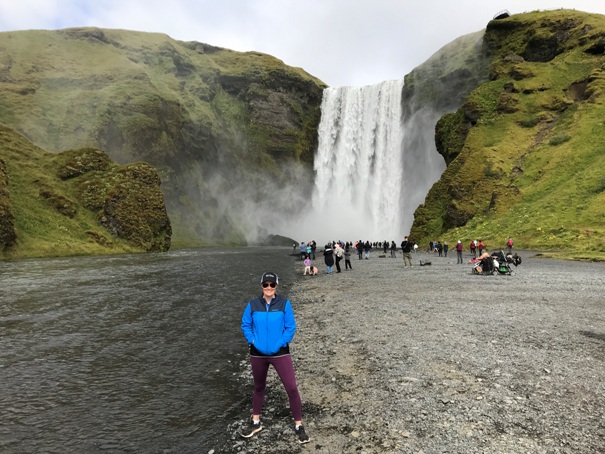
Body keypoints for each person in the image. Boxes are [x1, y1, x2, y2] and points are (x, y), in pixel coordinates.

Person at [240, 272, 311, 444]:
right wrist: (252, 340)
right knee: (259, 387)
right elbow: (245, 324)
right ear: (262, 286)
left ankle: (298, 425)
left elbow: (290, 327)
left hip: (280, 352)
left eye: (272, 285)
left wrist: (281, 342)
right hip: (257, 353)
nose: (269, 288)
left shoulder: (284, 303)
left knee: (292, 388)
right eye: (266, 284)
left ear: (277, 286)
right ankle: (256, 422)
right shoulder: (252, 304)